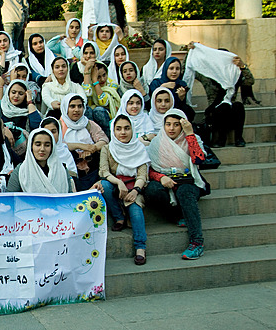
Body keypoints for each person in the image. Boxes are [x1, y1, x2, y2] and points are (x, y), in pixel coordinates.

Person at [144, 109, 209, 260]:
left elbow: (199, 160)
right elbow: (150, 169)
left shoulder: (192, 138)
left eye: (176, 125)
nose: (171, 128)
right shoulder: (157, 142)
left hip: (189, 182)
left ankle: (197, 243)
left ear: (182, 125)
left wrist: (190, 134)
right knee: (152, 190)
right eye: (168, 124)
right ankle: (177, 215)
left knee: (184, 192)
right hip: (167, 183)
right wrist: (161, 177)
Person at [99, 115, 150, 264]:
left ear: (132, 130)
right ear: (113, 131)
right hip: (116, 185)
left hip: (134, 187)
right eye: (118, 128)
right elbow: (103, 171)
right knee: (105, 185)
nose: (123, 132)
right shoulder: (107, 149)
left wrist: (135, 191)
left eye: (127, 128)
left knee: (135, 209)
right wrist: (119, 183)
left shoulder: (139, 148)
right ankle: (119, 217)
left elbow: (142, 174)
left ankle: (140, 247)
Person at [185, 42, 247, 147]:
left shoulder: (234, 75)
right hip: (214, 112)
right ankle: (220, 139)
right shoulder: (207, 75)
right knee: (222, 108)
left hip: (231, 111)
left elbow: (250, 81)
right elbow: (190, 67)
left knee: (238, 106)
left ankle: (239, 138)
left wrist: (243, 67)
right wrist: (192, 52)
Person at [60, 93, 109, 191]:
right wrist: (82, 146)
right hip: (69, 168)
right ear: (65, 108)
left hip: (91, 165)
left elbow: (104, 140)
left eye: (80, 106)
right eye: (72, 106)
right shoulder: (59, 125)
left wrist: (93, 148)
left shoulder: (88, 124)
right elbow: (58, 145)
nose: (76, 110)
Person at [7, 128, 75, 193]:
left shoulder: (61, 169)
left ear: (52, 148)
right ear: (31, 146)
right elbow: (10, 198)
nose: (42, 149)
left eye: (47, 145)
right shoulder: (21, 170)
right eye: (38, 145)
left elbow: (69, 198)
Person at [149, 57, 195, 122]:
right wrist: (162, 87)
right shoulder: (156, 83)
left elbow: (181, 108)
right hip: (157, 118)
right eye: (171, 68)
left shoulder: (181, 84)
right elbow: (151, 103)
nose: (174, 72)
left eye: (177, 69)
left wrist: (181, 98)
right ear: (165, 69)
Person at [83, 61, 120, 137]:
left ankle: (107, 139)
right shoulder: (87, 84)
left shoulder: (112, 84)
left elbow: (104, 102)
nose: (102, 79)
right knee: (87, 110)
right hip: (92, 115)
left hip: (108, 116)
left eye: (104, 75)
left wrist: (95, 82)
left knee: (99, 111)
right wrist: (87, 73)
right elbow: (86, 94)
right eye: (98, 77)